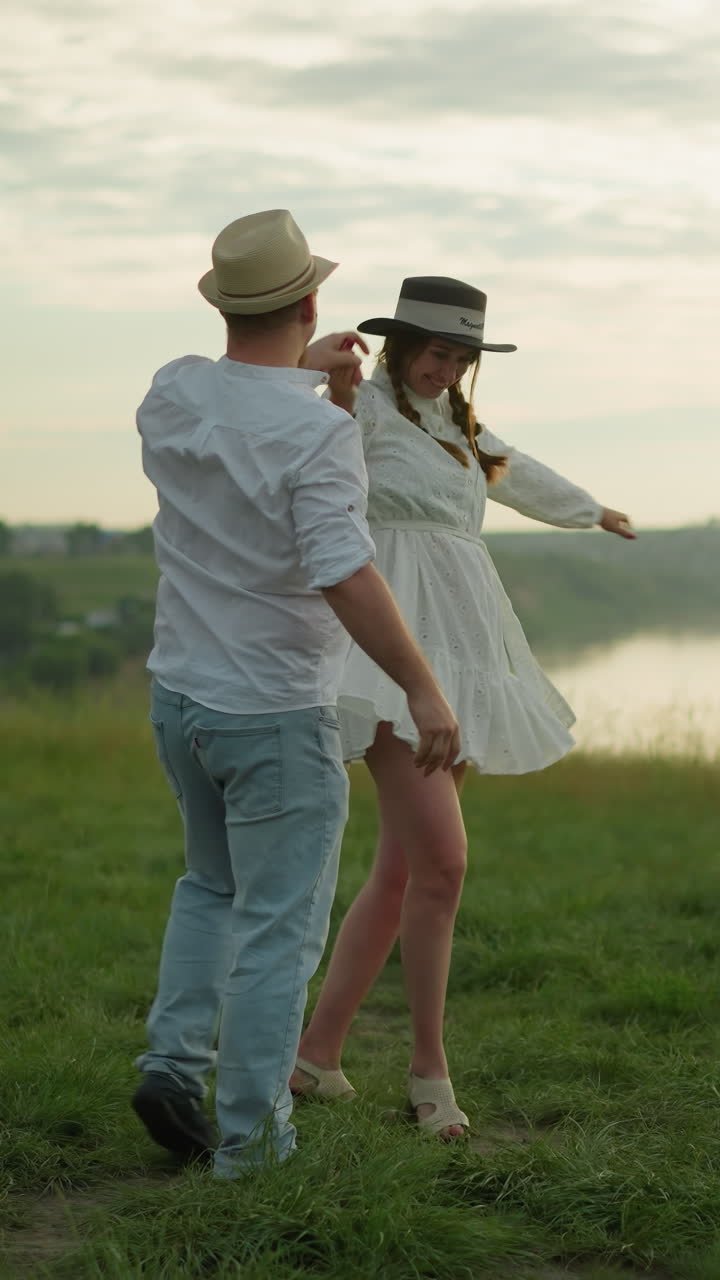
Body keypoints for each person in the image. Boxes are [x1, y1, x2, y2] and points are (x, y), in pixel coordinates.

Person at [132, 215, 460, 1179]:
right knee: (280, 926)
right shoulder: (318, 435)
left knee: (210, 887)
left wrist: (306, 371)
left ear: (230, 305)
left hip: (180, 698)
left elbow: (241, 407)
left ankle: (171, 1064)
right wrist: (422, 686)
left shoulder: (172, 391)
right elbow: (346, 573)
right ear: (310, 302)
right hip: (274, 711)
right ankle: (252, 1143)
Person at [291, 275, 636, 1138]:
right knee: (443, 864)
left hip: (463, 642)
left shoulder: (461, 429)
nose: (446, 367)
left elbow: (520, 476)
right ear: (401, 345)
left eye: (461, 356)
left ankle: (317, 1056)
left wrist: (593, 511)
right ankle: (428, 1073)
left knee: (407, 868)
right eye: (436, 351)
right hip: (391, 655)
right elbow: (291, 417)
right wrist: (320, 369)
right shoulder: (359, 411)